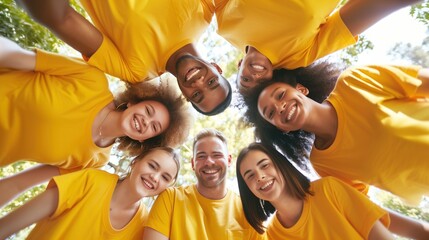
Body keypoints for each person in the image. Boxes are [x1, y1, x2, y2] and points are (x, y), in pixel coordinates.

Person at [241, 61, 429, 239]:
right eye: (271, 113)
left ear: (301, 89)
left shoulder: (354, 82)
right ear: (282, 129)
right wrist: (421, 232)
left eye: (280, 95)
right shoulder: (323, 164)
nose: (279, 107)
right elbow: (363, 208)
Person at [0, 36, 193, 208]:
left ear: (146, 140)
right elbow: (13, 55)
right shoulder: (92, 81)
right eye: (148, 111)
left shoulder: (94, 161)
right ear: (134, 101)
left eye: (154, 127)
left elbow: (19, 183)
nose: (146, 121)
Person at [14, 0, 232, 115]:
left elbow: (63, 20)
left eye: (197, 95)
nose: (198, 83)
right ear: (217, 68)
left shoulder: (135, 71)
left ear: (185, 96)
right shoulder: (204, 12)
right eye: (212, 82)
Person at [214, 0, 422, 94]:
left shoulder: (227, 27)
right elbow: (352, 19)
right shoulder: (298, 56)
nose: (256, 75)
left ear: (239, 64)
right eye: (262, 82)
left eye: (246, 79)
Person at [0, 146, 180, 239]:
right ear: (136, 162)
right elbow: (8, 225)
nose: (155, 177)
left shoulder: (145, 228)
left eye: (165, 177)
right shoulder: (90, 180)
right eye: (152, 166)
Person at [237, 142, 393, 239]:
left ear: (280, 165)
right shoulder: (273, 235)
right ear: (248, 190)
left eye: (264, 165)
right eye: (250, 176)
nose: (260, 177)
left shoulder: (329, 189)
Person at [142, 129, 266, 240]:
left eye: (216, 155)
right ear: (193, 163)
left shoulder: (248, 211)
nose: (209, 162)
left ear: (228, 160)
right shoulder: (171, 198)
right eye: (201, 156)